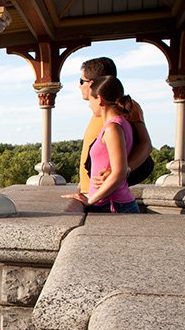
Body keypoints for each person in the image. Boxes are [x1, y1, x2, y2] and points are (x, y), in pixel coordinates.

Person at [77, 57, 153, 195]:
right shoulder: (99, 110)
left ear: (92, 83)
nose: (79, 86)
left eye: (81, 81)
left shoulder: (127, 108)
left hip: (107, 196)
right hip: (92, 192)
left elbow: (145, 144)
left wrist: (124, 169)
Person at [65, 76, 140, 213]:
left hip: (114, 205)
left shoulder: (112, 128)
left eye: (91, 100)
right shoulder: (121, 123)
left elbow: (119, 173)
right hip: (113, 203)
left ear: (99, 99)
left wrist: (90, 200)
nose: (89, 105)